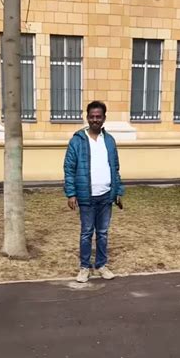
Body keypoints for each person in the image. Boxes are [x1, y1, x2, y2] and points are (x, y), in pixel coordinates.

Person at [64, 100, 124, 283]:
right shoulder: (77, 140)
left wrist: (118, 191)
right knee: (87, 232)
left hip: (106, 195)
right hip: (86, 195)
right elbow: (69, 168)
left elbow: (115, 168)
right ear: (87, 118)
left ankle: (101, 265)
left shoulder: (110, 140)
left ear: (104, 118)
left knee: (103, 232)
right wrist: (71, 193)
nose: (95, 120)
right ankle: (84, 267)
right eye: (92, 116)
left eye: (99, 116)